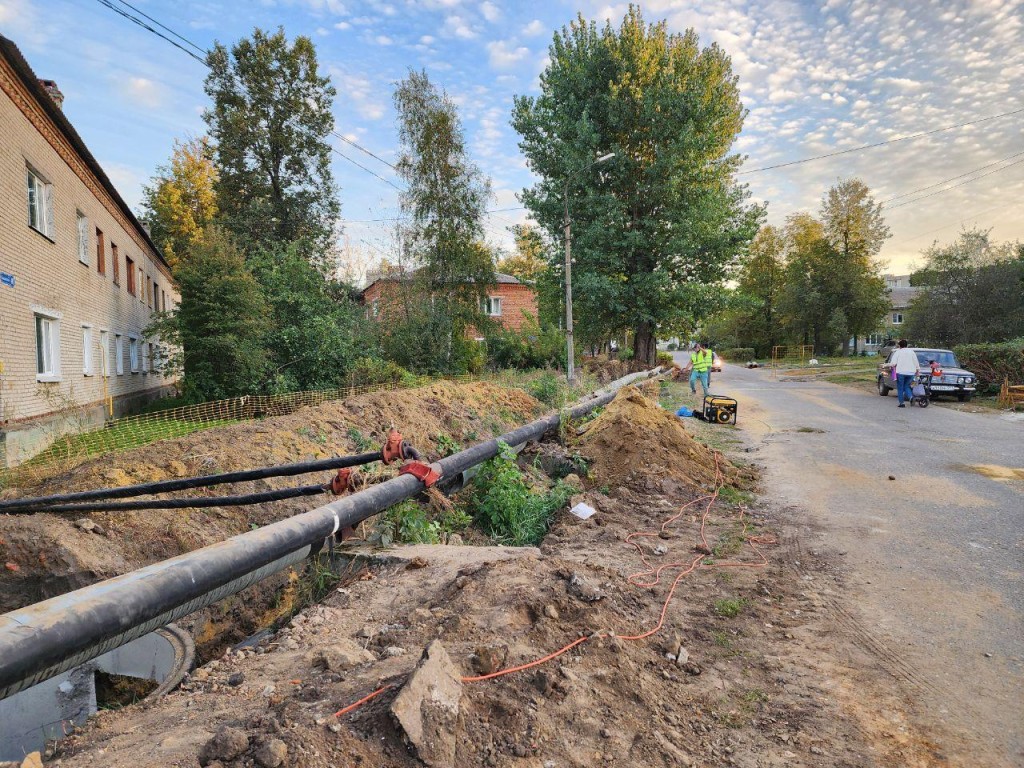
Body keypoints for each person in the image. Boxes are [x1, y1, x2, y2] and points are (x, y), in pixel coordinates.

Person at [889, 339, 919, 408]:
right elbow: (916, 362)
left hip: (900, 373)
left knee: (900, 388)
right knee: (907, 386)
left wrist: (891, 366)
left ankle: (902, 403)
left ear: (899, 346)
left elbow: (893, 363)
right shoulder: (912, 352)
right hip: (911, 373)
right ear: (907, 345)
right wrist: (917, 370)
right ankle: (911, 397)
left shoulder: (898, 352)